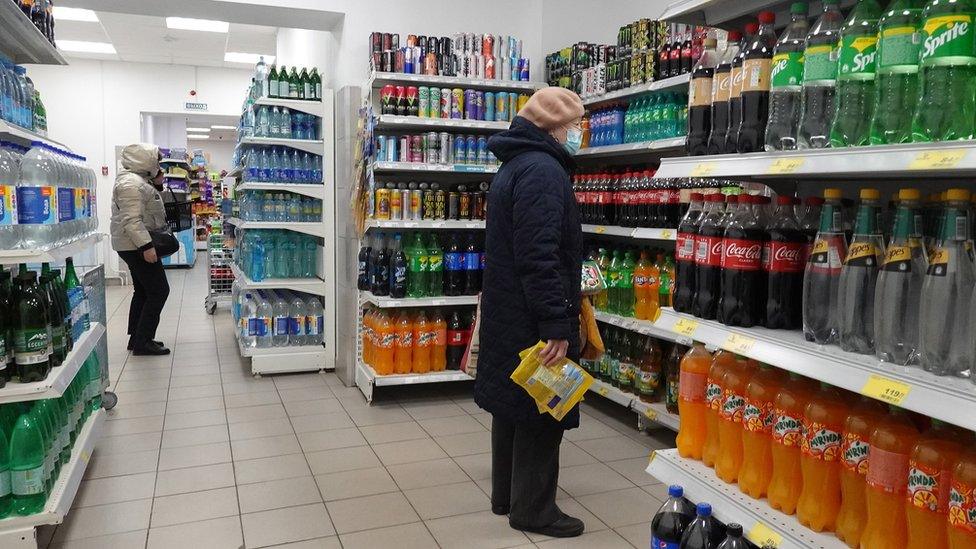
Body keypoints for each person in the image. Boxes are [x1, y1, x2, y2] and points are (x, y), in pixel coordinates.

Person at [475, 87, 585, 538]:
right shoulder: (543, 171)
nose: (580, 134)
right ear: (555, 127)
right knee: (544, 409)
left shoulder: (516, 164)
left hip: (510, 309)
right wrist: (557, 323)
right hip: (531, 314)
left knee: (513, 405)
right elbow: (539, 256)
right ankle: (534, 510)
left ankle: (507, 496)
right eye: (576, 126)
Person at [110, 143, 171, 356]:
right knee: (159, 291)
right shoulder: (130, 184)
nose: (158, 165)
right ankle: (143, 342)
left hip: (131, 244)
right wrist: (146, 246)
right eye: (156, 161)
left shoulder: (135, 180)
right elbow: (131, 220)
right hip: (135, 245)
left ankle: (136, 338)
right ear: (144, 161)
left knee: (143, 291)